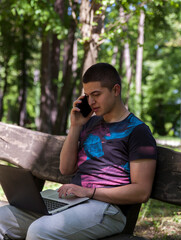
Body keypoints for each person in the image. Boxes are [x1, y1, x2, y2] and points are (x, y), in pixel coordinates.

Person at [0, 63, 157, 240]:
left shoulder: (138, 131)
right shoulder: (89, 124)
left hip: (107, 209)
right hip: (72, 201)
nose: (91, 102)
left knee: (40, 231)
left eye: (96, 94)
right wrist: (75, 126)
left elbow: (141, 191)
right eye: (87, 96)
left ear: (115, 90)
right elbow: (66, 169)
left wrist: (90, 192)